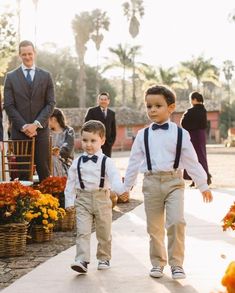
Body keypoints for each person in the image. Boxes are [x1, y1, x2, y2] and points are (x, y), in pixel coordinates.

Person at [123, 85, 213, 280]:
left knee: (176, 222)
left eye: (157, 105)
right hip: (151, 183)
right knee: (154, 227)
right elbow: (133, 162)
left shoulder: (181, 134)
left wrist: (203, 185)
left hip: (174, 182)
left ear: (171, 108)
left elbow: (192, 161)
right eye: (148, 106)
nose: (152, 110)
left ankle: (176, 264)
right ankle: (157, 262)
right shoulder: (142, 135)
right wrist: (127, 186)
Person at [65, 120, 128, 274]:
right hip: (83, 200)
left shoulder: (107, 162)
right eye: (85, 140)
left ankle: (104, 257)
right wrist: (69, 201)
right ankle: (82, 260)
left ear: (102, 140)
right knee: (82, 231)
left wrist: (121, 191)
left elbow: (114, 179)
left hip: (102, 199)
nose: (88, 144)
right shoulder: (77, 161)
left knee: (104, 231)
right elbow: (70, 182)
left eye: (93, 141)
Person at [4, 40, 55, 182]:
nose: (27, 57)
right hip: (20, 133)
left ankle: (47, 203)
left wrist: (36, 124)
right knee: (23, 174)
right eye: (24, 54)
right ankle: (25, 204)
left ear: (35, 53)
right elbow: (9, 105)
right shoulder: (11, 77)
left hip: (41, 132)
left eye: (30, 53)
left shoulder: (46, 76)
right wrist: (24, 126)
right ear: (19, 55)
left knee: (44, 172)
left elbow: (51, 103)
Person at [181, 91, 212, 187]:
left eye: (191, 99)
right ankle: (205, 178)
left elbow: (183, 123)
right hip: (201, 135)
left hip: (192, 135)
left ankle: (195, 179)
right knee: (202, 156)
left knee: (192, 157)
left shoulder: (190, 111)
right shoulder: (203, 110)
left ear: (194, 100)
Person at [84, 92, 116, 157]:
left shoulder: (112, 113)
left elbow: (113, 130)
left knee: (106, 165)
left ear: (108, 101)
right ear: (98, 101)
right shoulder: (91, 111)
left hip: (107, 145)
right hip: (94, 144)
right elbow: (86, 127)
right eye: (101, 99)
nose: (103, 101)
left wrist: (110, 142)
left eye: (105, 99)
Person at [49, 108, 75, 177]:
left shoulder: (69, 131)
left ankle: (58, 181)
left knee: (54, 159)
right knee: (52, 159)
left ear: (54, 119)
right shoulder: (47, 132)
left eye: (48, 119)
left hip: (64, 160)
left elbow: (68, 147)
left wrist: (58, 152)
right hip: (48, 159)